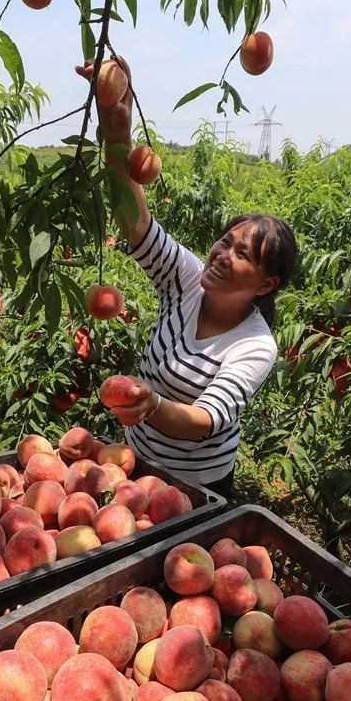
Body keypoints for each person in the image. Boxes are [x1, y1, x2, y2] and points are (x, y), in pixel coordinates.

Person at [76, 55, 298, 495]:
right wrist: (117, 129)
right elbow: (135, 223)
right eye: (225, 240)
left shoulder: (255, 345)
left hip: (193, 486)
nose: (221, 254)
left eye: (242, 253)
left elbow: (204, 422)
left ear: (266, 284)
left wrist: (152, 404)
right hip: (134, 460)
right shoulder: (187, 279)